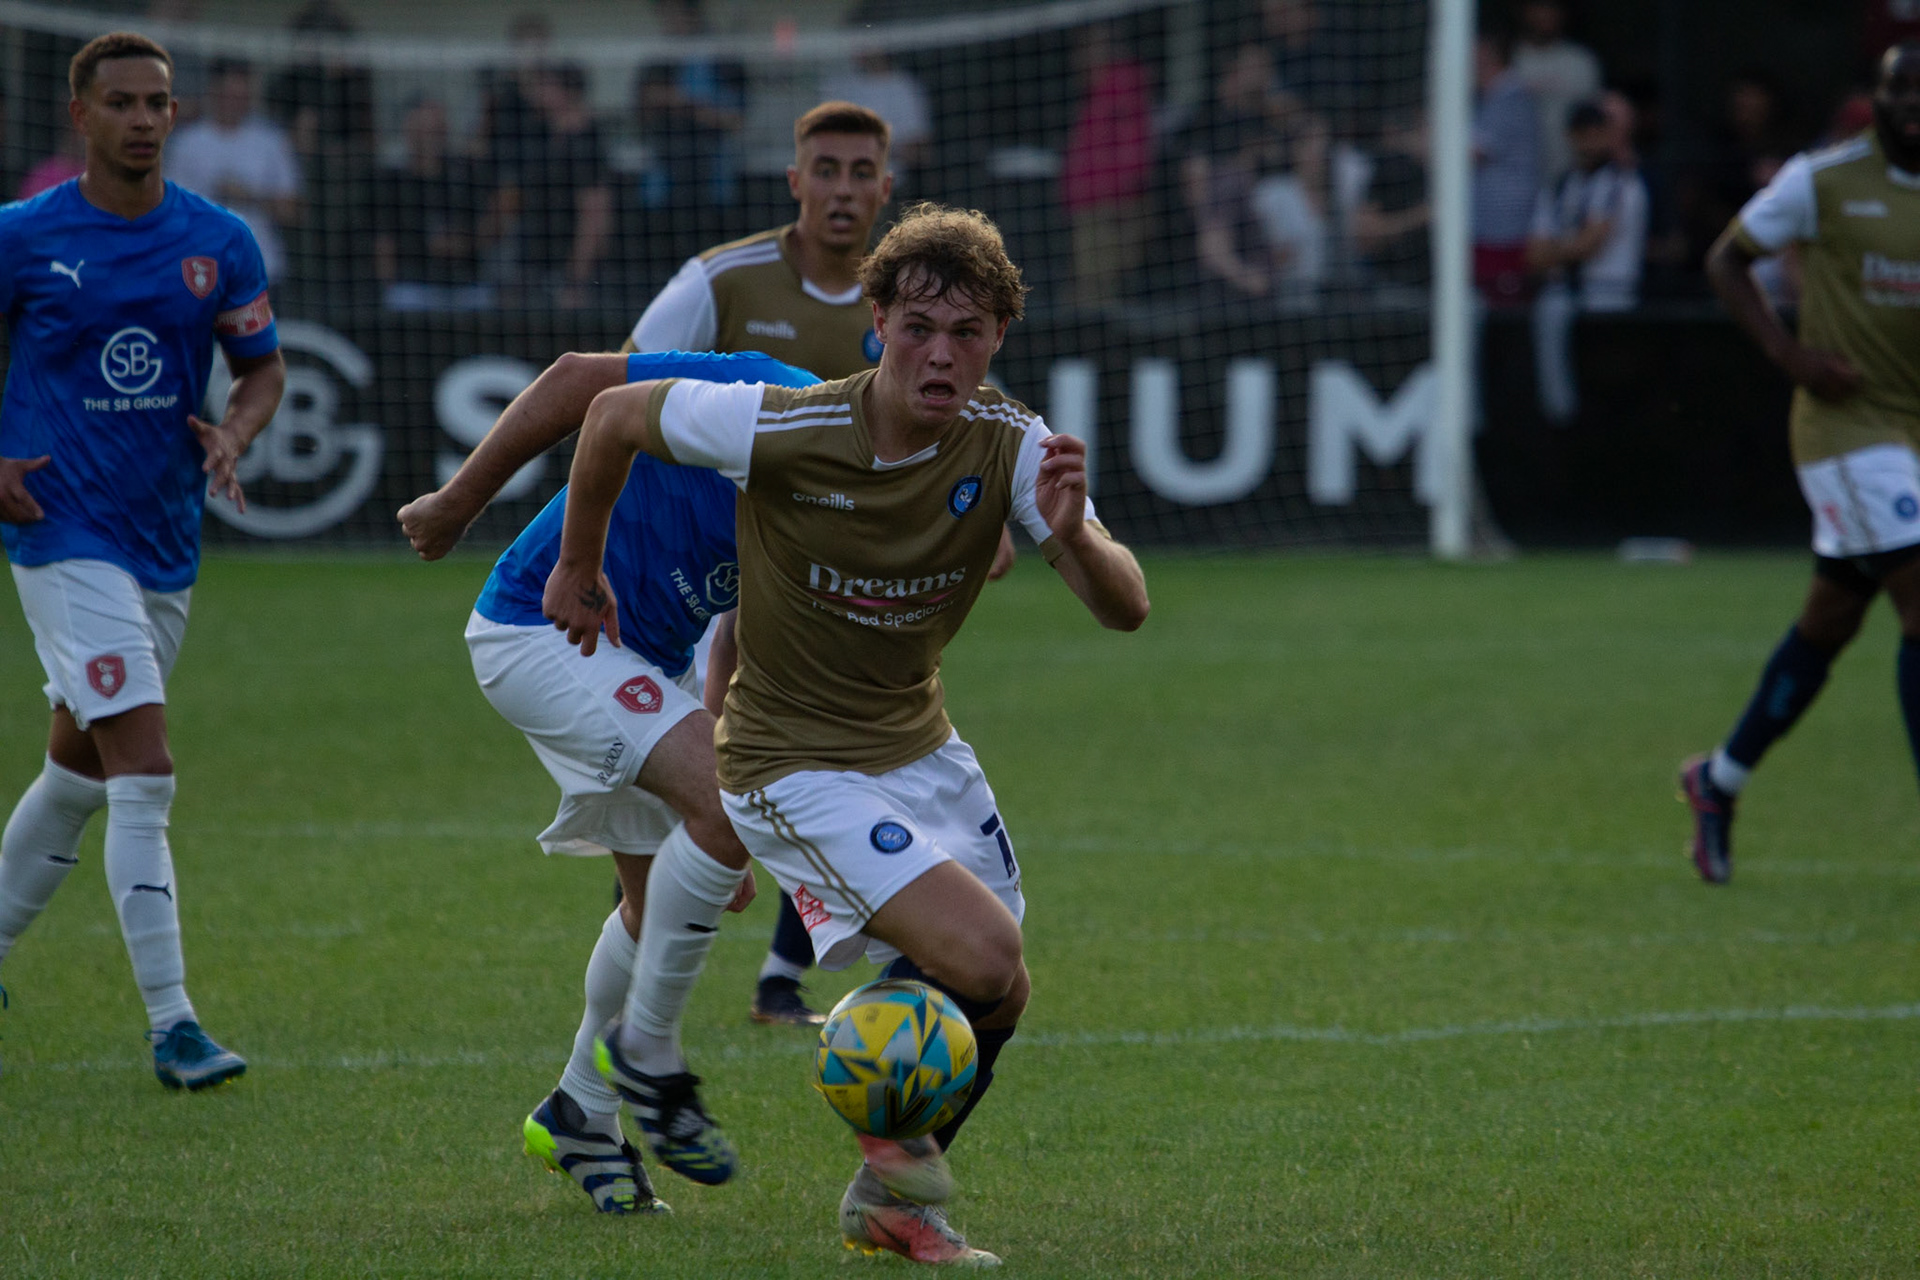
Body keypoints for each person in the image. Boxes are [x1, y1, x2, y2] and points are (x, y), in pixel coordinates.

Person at [546, 202, 1150, 1265]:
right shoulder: (784, 426)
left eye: (966, 332)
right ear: (877, 325)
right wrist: (577, 562)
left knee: (1000, 987)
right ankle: (860, 1104)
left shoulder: (1012, 442)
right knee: (983, 951)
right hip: (789, 763)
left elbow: (1127, 608)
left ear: (997, 338)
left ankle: (887, 1201)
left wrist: (1075, 539)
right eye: (918, 327)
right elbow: (610, 414)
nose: (941, 353)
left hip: (922, 751)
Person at [398, 349, 820, 1212]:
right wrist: (455, 506)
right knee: (721, 817)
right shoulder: (765, 396)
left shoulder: (869, 497)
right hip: (540, 628)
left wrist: (708, 784)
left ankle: (580, 1115)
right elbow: (574, 381)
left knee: (658, 901)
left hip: (651, 664)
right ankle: (647, 1057)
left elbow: (744, 631)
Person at [0, 32, 285, 1088]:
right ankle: (175, 1026)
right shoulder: (23, 236)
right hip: (58, 528)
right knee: (144, 765)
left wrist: (233, 431)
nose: (143, 119)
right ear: (81, 115)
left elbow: (261, 368)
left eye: (157, 103)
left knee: (79, 768)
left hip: (163, 536)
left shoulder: (217, 239)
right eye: (121, 102)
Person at [621, 100, 892, 1028]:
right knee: (698, 788)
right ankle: (640, 982)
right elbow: (620, 389)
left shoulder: (903, 301)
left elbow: (957, 429)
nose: (843, 189)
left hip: (824, 592)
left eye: (862, 172)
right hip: (705, 584)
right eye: (827, 169)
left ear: (886, 187)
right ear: (794, 180)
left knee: (827, 770)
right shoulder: (722, 281)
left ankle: (779, 979)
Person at [1680, 45, 1920, 884]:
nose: (1914, 106)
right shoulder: (1824, 180)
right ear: (1876, 100)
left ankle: (1718, 781)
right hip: (1847, 427)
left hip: (1913, 433)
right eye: (1901, 91)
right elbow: (1726, 258)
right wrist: (1790, 355)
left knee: (1831, 621)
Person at [1526, 98, 1648, 423]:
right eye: (1583, 134)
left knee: (1609, 396)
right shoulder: (1560, 186)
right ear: (1571, 136)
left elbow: (1590, 244)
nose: (1590, 142)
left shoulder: (1623, 183)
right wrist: (1566, 248)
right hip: (1567, 302)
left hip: (1611, 302)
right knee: (1548, 312)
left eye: (1597, 133)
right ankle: (1559, 417)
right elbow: (1534, 253)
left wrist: (1558, 249)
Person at [165, 57, 301, 282]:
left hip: (260, 266)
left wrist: (249, 196)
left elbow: (292, 210)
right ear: (214, 92)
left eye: (243, 96)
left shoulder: (271, 141)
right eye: (230, 96)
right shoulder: (187, 143)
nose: (236, 104)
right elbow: (171, 209)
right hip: (201, 268)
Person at [373, 97, 498, 311]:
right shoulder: (392, 181)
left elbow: (491, 223)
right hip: (414, 288)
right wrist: (387, 287)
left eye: (438, 128)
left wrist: (465, 243)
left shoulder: (465, 173)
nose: (433, 136)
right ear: (409, 131)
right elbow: (384, 243)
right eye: (427, 129)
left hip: (466, 287)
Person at [1472, 27, 1541, 306]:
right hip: (1487, 227)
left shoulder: (1510, 97)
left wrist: (1413, 141)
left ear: (1487, 55)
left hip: (1505, 229)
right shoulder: (1490, 98)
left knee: (1504, 309)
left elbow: (1473, 152)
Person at [1510, 0, 1602, 183]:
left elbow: (1596, 123)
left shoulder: (1581, 62)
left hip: (1572, 177)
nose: (1545, 14)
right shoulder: (1509, 60)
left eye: (1551, 8)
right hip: (1517, 179)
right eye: (1539, 7)